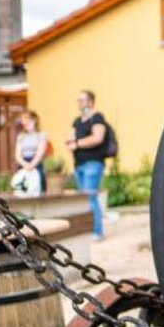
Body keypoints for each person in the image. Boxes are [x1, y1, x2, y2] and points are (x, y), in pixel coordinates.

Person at [67, 90, 109, 239]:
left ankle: (97, 231)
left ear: (91, 102)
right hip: (79, 164)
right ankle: (89, 230)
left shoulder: (97, 118)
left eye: (82, 100)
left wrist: (77, 143)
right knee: (84, 199)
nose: (79, 103)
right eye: (78, 100)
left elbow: (97, 138)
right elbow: (69, 137)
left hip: (93, 163)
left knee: (90, 197)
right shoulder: (77, 121)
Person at [14, 111, 47, 197]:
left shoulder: (41, 135)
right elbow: (17, 155)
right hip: (23, 164)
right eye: (22, 119)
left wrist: (32, 165)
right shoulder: (21, 136)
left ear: (34, 120)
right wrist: (25, 164)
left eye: (26, 118)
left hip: (36, 164)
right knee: (21, 190)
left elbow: (40, 152)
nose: (24, 121)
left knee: (39, 189)